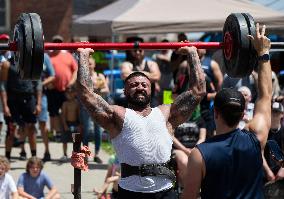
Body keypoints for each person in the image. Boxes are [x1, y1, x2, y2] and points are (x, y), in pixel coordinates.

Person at [75, 45, 205, 199]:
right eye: (134, 85)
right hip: (130, 193)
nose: (140, 87)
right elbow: (86, 95)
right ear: (124, 91)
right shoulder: (117, 115)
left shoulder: (166, 114)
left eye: (144, 85)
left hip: (165, 192)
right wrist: (83, 55)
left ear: (152, 89)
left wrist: (191, 53)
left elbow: (198, 91)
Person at [181, 23, 272, 199]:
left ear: (215, 112)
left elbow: (189, 197)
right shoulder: (256, 137)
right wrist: (263, 53)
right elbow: (266, 95)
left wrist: (193, 55)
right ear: (243, 114)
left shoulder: (199, 154)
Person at [0, 54, 42, 160]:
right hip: (13, 100)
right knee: (11, 129)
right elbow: (3, 86)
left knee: (31, 128)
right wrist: (5, 106)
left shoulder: (32, 64)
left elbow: (38, 84)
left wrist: (38, 104)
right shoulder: (6, 64)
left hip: (29, 98)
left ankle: (34, 158)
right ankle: (7, 159)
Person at [47, 35, 78, 142]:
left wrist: (71, 82)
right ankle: (54, 132)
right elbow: (43, 72)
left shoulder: (68, 55)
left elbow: (75, 70)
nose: (57, 44)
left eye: (59, 42)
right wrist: (47, 83)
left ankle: (66, 132)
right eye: (55, 42)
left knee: (66, 111)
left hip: (66, 89)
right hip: (52, 89)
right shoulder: (48, 56)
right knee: (53, 112)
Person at [80, 57, 110, 163]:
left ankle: (97, 154)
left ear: (94, 65)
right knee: (86, 131)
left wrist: (99, 88)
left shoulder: (100, 76)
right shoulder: (83, 76)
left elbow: (107, 89)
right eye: (87, 63)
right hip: (86, 107)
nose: (88, 65)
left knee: (98, 131)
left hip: (98, 107)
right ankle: (85, 154)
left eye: (90, 63)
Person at [120, 36, 161, 107]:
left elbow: (156, 76)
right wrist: (148, 74)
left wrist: (133, 74)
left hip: (150, 101)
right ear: (130, 51)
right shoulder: (127, 64)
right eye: (135, 50)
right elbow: (125, 75)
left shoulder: (151, 63)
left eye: (140, 50)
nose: (138, 52)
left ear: (144, 50)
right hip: (132, 102)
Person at [263, 101, 284, 197]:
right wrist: (268, 171)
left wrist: (283, 169)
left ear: (282, 115)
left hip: (281, 171)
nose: (274, 115)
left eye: (277, 112)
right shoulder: (263, 131)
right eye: (272, 112)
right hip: (265, 171)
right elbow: (260, 153)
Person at [39, 53, 55, 162]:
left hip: (42, 94)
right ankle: (25, 151)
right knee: (27, 125)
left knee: (43, 123)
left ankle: (47, 151)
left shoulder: (45, 57)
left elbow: (53, 75)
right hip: (27, 93)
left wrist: (41, 84)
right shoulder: (24, 54)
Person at [60, 86, 80, 161]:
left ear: (75, 93)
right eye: (68, 93)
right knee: (64, 140)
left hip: (75, 123)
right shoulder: (65, 104)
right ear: (65, 94)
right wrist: (65, 125)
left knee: (76, 140)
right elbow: (63, 116)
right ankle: (65, 154)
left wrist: (79, 124)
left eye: (71, 93)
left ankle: (76, 154)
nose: (70, 95)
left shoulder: (77, 103)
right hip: (67, 123)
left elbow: (78, 115)